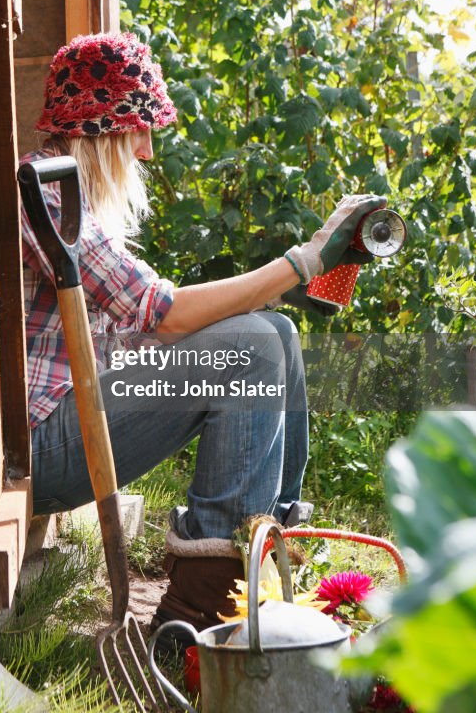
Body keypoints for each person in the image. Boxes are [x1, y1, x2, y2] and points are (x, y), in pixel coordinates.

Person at [20, 31, 384, 639]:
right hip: (42, 446)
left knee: (275, 334)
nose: (146, 151)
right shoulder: (48, 190)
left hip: (75, 411)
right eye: (141, 130)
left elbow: (146, 324)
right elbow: (163, 312)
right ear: (105, 126)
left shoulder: (64, 187)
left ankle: (259, 560)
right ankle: (199, 613)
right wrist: (301, 263)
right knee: (255, 346)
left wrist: (291, 282)